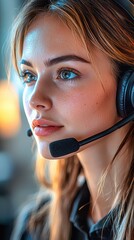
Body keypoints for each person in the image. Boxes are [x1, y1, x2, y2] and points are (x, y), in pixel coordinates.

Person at [10, 0, 134, 240]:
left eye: (66, 73)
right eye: (29, 75)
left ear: (127, 89)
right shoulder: (36, 226)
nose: (35, 99)